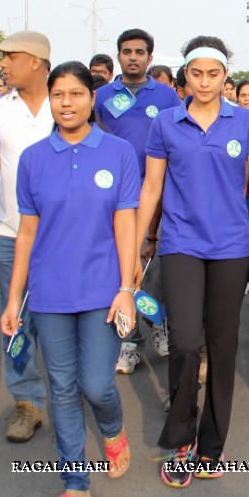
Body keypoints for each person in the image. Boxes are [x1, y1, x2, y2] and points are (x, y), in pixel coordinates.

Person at [1, 61, 139, 497]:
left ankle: (113, 429)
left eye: (76, 93)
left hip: (103, 290)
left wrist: (126, 288)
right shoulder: (34, 159)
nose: (66, 103)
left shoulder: (118, 153)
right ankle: (75, 484)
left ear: (92, 99)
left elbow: (126, 223)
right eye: (58, 94)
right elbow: (25, 233)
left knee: (97, 385)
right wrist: (13, 299)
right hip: (49, 293)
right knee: (61, 387)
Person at [136, 36, 249, 486]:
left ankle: (211, 444)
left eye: (213, 74)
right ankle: (181, 436)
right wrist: (136, 252)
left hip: (232, 248)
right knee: (183, 341)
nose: (204, 82)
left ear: (225, 77)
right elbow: (151, 190)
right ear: (185, 76)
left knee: (223, 345)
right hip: (180, 243)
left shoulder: (247, 122)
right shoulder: (165, 123)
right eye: (195, 73)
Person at [94, 28, 182, 373]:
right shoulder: (100, 96)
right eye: (126, 51)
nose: (133, 57)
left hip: (158, 196)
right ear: (118, 56)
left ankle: (159, 322)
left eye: (140, 52)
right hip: (112, 196)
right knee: (120, 270)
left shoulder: (166, 97)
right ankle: (129, 341)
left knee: (155, 270)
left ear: (150, 57)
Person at [0, 30, 54, 443]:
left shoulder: (69, 103)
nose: (3, 65)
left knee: (66, 319)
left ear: (36, 61)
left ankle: (71, 389)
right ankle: (27, 401)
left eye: (11, 56)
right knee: (16, 323)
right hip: (11, 233)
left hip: (65, 239)